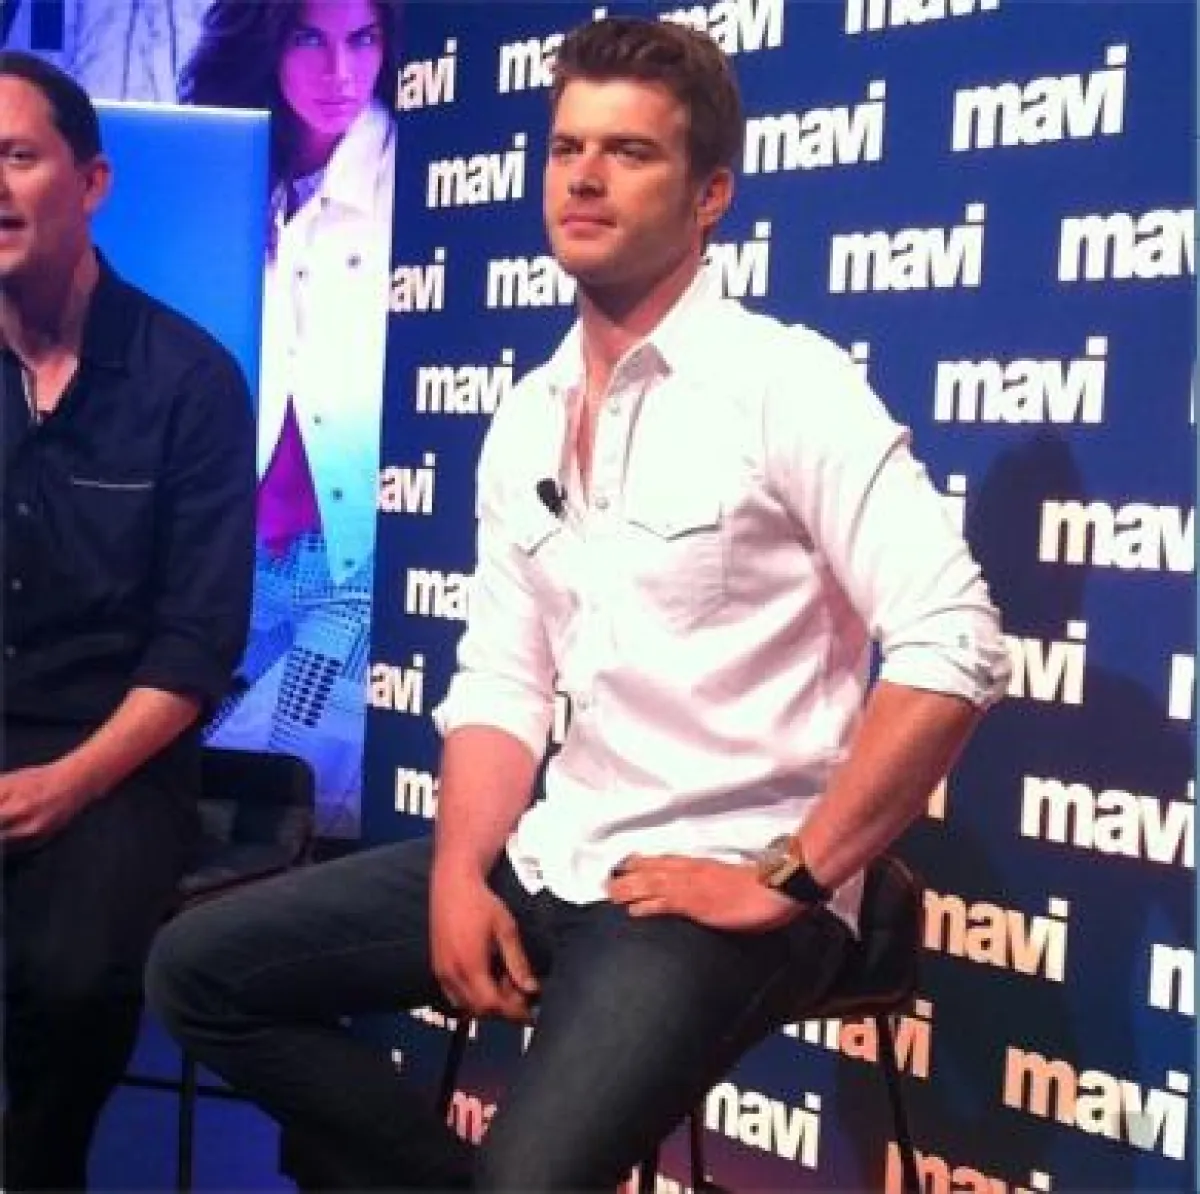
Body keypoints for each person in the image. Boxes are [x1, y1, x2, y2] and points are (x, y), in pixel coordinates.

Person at [147, 16, 1010, 1191]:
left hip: (721, 884)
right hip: (561, 855)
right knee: (199, 972)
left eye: (630, 152)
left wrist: (795, 876)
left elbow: (955, 644)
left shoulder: (786, 383)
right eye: (567, 148)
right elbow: (503, 682)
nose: (585, 177)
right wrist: (460, 875)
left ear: (710, 196)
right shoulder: (529, 413)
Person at [0, 52, 255, 1191]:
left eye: (17, 156)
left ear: (92, 181)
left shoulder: (188, 380)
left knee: (71, 979)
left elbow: (198, 645)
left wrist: (69, 784)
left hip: (113, 755)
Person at [178, 0, 400, 836]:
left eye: (363, 40)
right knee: (182, 755)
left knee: (292, 769)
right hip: (235, 539)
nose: (341, 73)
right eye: (310, 38)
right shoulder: (223, 168)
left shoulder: (413, 173)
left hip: (349, 548)